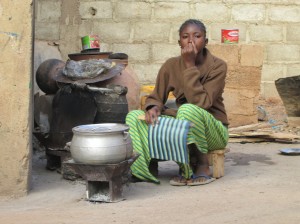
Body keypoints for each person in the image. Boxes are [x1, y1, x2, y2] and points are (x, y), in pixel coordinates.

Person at [126, 19, 229, 186]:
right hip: (183, 126)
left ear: (206, 41)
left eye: (197, 36)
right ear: (179, 42)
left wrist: (189, 65)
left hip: (213, 131)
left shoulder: (218, 66)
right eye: (185, 36)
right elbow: (156, 96)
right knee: (133, 116)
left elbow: (202, 103)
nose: (190, 41)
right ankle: (146, 168)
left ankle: (201, 165)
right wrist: (153, 108)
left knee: (188, 110)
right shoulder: (170, 65)